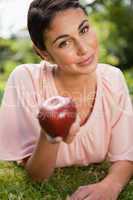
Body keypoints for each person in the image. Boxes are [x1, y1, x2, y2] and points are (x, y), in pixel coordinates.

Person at [0, 0, 133, 199]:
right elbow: (36, 175)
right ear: (44, 54)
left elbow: (125, 155)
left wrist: (110, 185)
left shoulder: (112, 79)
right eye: (64, 42)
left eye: (84, 29)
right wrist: (51, 137)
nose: (83, 48)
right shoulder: (26, 80)